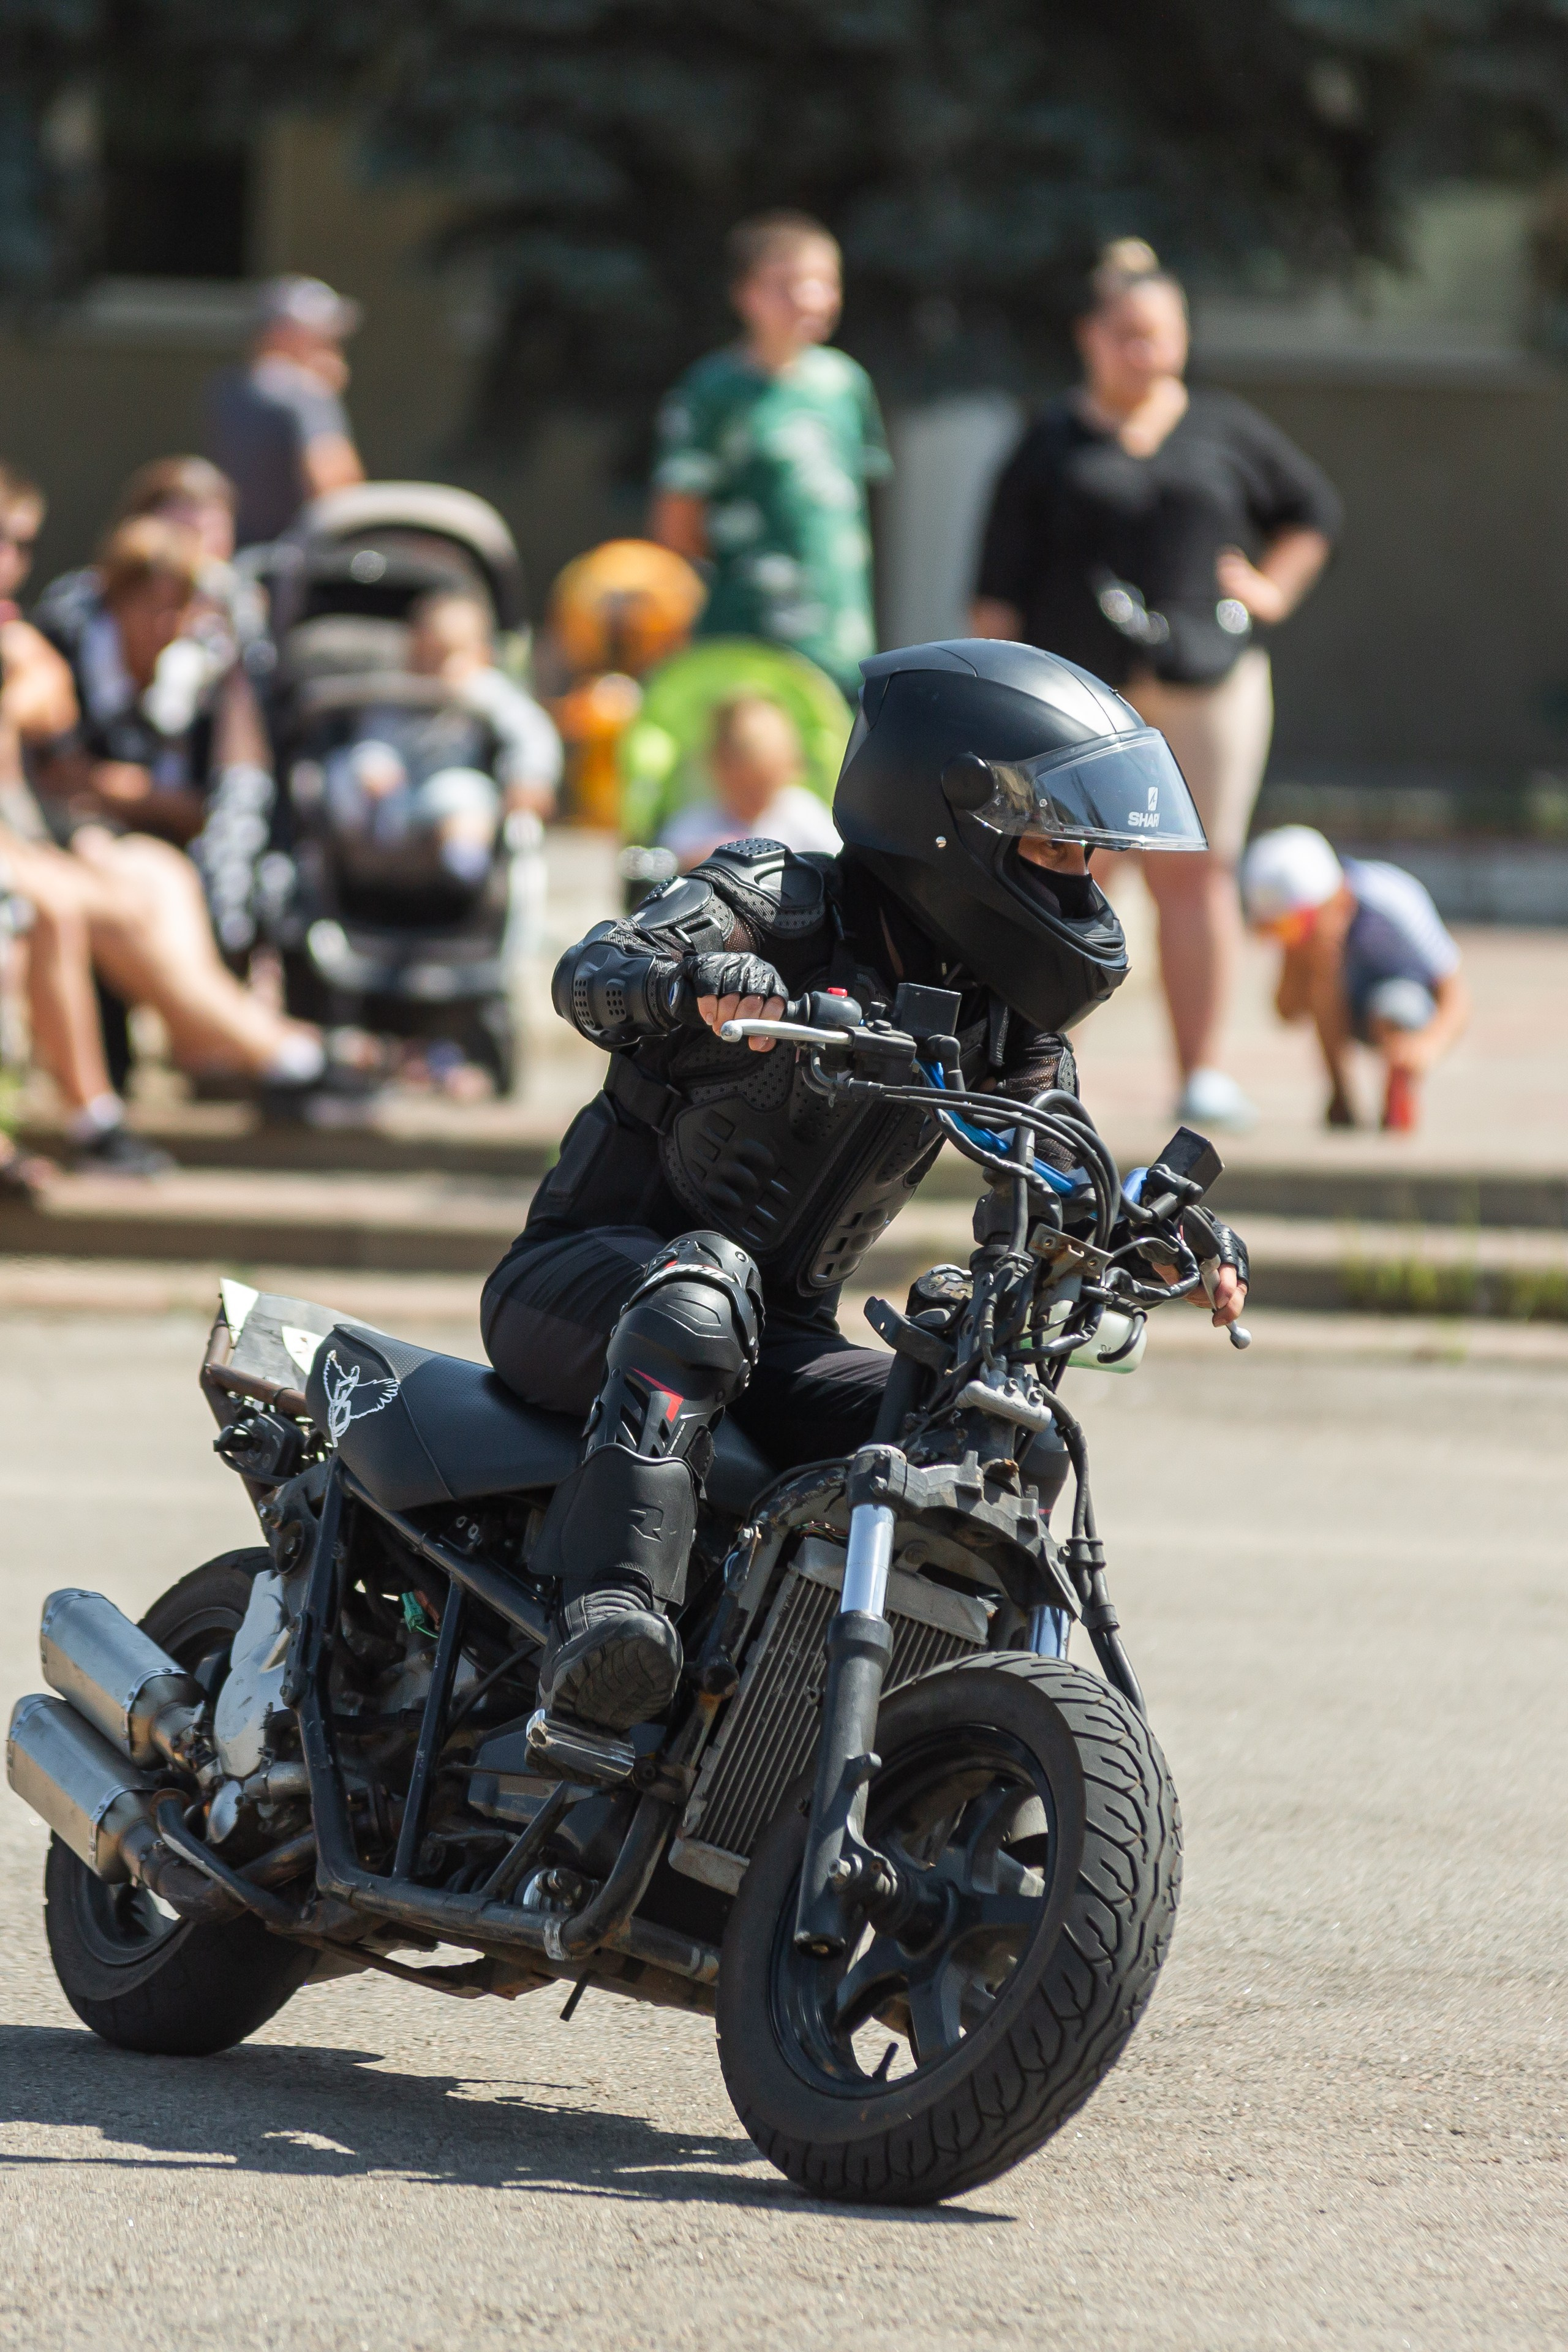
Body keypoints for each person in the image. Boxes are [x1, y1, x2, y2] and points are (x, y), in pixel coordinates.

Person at [481, 636, 1250, 1735]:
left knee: (987, 1424)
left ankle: (895, 1723)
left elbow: (1058, 1165)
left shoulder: (993, 1012)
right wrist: (691, 981)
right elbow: (590, 973)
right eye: (1058, 848)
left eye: (1088, 858)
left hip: (776, 1337)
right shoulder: (781, 899)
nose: (1084, 882)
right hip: (583, 1284)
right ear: (953, 815)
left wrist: (1160, 1240)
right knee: (705, 1284)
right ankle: (612, 1622)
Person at [971, 238, 1341, 1131]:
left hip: (1207, 683)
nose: (1146, 353)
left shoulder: (1223, 426)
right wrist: (993, 690)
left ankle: (1203, 1071)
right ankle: (1045, 1073)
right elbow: (997, 583)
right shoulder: (1048, 440)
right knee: (1067, 870)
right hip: (1079, 696)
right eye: (1128, 336)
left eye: (1161, 336)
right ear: (1090, 338)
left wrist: (1271, 590)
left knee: (1199, 874)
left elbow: (1312, 512)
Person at [650, 211, 891, 699]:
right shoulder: (712, 392)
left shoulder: (846, 385)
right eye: (787, 284)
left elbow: (856, 508)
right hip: (744, 641)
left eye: (824, 282)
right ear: (744, 295)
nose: (810, 298)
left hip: (838, 640)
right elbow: (676, 527)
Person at [323, 589, 562, 889]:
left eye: (445, 655)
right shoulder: (396, 693)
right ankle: (353, 866)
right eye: (422, 654)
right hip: (392, 801)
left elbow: (532, 734)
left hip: (448, 787)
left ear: (481, 657)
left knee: (467, 793)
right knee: (342, 770)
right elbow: (375, 736)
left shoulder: (487, 693)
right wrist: (375, 762)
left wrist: (530, 778)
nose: (431, 667)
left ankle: (464, 865)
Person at [1240, 825, 1469, 1132]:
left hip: (1400, 999)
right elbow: (1287, 1012)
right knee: (1321, 982)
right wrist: (1309, 967)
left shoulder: (1391, 900)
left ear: (1333, 900)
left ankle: (1397, 1089)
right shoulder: (1308, 932)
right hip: (1349, 1003)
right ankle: (1341, 1095)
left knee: (1396, 1005)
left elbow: (1455, 991)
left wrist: (1428, 1046)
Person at [203, 276, 365, 550]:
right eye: (323, 336)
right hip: (301, 563)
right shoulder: (308, 393)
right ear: (283, 334)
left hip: (246, 554)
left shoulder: (229, 392)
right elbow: (337, 490)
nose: (333, 347)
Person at [658, 693, 840, 870]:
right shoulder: (694, 826)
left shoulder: (802, 814)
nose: (755, 797)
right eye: (746, 788)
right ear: (719, 770)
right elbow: (665, 865)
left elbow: (837, 860)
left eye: (765, 787)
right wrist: (697, 862)